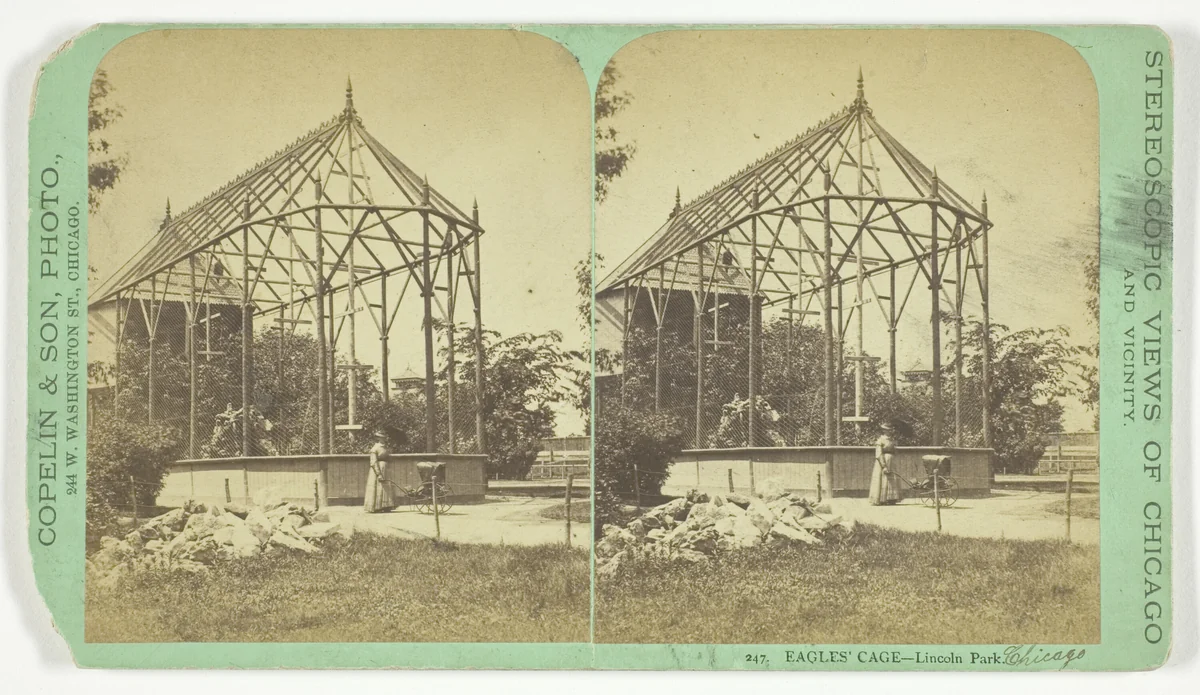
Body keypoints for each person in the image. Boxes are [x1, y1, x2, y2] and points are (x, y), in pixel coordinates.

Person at [869, 422, 903, 505]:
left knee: (892, 479)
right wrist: (883, 465)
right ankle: (882, 499)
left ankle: (891, 498)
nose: (889, 431)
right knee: (883, 478)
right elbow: (878, 454)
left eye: (890, 430)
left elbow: (895, 451)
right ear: (883, 431)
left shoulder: (892, 440)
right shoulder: (880, 440)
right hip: (883, 461)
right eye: (887, 430)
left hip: (891, 461)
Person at [364, 430, 394, 513]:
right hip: (377, 469)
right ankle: (377, 507)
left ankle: (386, 506)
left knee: (385, 487)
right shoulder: (375, 448)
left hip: (386, 469)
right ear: (377, 438)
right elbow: (373, 462)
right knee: (378, 487)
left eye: (384, 437)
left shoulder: (385, 447)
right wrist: (379, 474)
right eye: (381, 437)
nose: (383, 439)